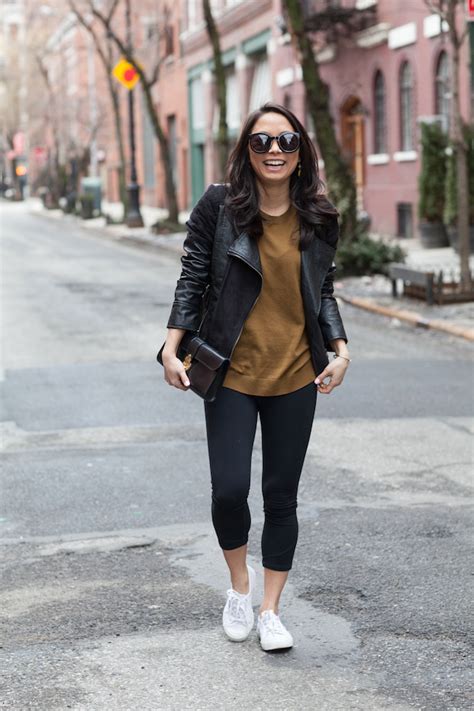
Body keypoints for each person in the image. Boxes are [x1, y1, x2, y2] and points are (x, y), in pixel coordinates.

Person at [161, 102, 350, 652]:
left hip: (295, 374)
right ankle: (238, 589)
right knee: (229, 491)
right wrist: (172, 349)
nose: (274, 151)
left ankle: (271, 609)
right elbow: (193, 277)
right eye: (262, 142)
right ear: (247, 150)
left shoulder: (319, 216)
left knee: (281, 496)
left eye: (286, 142)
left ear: (301, 153)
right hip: (231, 374)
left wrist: (341, 350)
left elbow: (323, 292)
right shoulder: (219, 208)